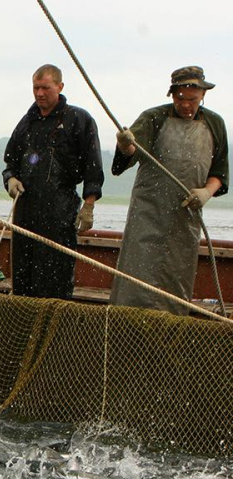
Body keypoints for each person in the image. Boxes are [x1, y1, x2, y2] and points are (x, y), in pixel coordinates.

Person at [109, 66, 229, 315]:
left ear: (203, 95)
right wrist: (124, 144)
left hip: (185, 220)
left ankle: (168, 342)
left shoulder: (215, 124)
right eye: (180, 99)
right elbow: (131, 154)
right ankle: (127, 332)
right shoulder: (153, 118)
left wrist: (206, 192)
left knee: (176, 286)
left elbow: (220, 172)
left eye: (192, 100)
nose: (186, 105)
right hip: (147, 216)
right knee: (135, 282)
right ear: (172, 96)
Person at [2, 64, 104, 299]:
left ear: (60, 86)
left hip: (60, 211)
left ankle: (53, 329)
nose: (39, 93)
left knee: (55, 277)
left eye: (45, 88)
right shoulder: (27, 122)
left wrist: (88, 205)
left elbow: (93, 167)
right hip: (25, 211)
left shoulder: (79, 119)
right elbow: (10, 163)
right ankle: (25, 326)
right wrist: (10, 179)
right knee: (23, 276)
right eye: (36, 88)